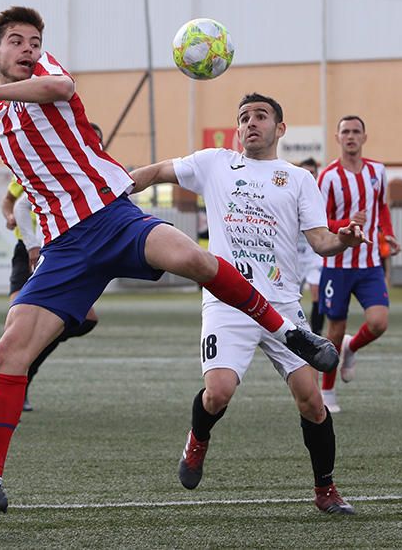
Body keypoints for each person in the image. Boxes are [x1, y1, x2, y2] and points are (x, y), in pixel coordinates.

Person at [0, 6, 338, 529]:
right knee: (10, 348)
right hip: (66, 248)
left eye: (35, 41)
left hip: (112, 215)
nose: (29, 49)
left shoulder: (42, 77)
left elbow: (59, 89)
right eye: (16, 42)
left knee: (193, 259)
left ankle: (290, 332)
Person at [129, 93, 366, 515]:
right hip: (227, 302)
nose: (251, 123)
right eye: (244, 117)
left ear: (280, 128)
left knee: (312, 401)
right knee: (217, 394)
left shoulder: (297, 179)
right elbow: (161, 170)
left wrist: (343, 239)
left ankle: (325, 490)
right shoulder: (214, 163)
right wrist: (116, 189)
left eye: (261, 116)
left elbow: (321, 241)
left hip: (282, 305)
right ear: (237, 129)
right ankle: (197, 440)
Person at [0, 121, 106, 412]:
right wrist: (24, 234)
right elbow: (15, 203)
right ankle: (10, 386)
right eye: (87, 138)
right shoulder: (48, 164)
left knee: (82, 321)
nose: (91, 145)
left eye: (97, 142)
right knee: (19, 325)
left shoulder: (98, 174)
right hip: (32, 252)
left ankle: (25, 369)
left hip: (67, 255)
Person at [316, 115, 401, 413]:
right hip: (337, 265)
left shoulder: (378, 171)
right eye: (345, 132)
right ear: (337, 138)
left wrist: (387, 234)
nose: (350, 136)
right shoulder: (327, 177)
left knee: (379, 323)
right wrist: (346, 224)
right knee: (335, 330)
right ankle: (327, 391)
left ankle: (352, 348)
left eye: (356, 132)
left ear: (364, 137)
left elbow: (382, 208)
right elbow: (320, 221)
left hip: (369, 263)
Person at [295, 157, 325, 334]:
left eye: (312, 173)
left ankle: (317, 334)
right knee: (291, 297)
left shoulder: (321, 195)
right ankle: (292, 334)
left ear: (317, 174)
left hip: (314, 252)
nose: (309, 176)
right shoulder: (291, 192)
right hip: (294, 254)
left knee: (317, 292)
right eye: (306, 172)